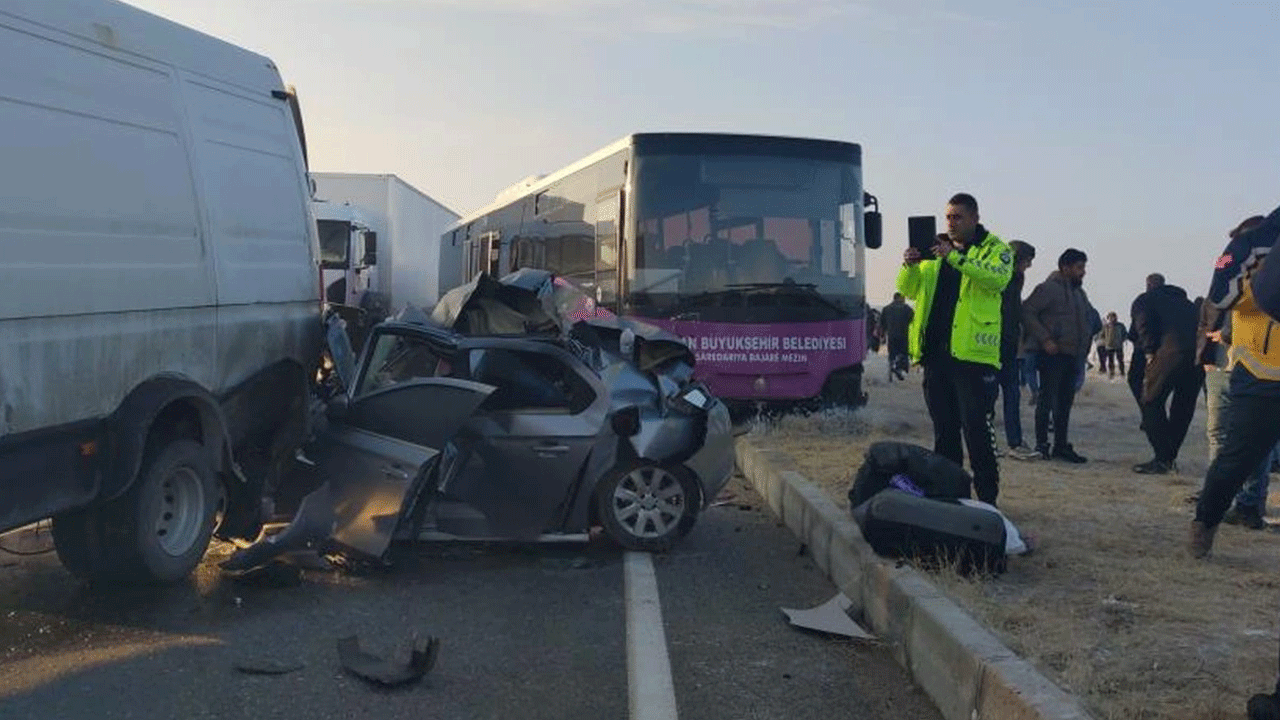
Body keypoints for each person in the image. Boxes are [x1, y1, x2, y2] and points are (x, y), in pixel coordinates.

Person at [897, 193, 1012, 505]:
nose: (951, 223)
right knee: (944, 432)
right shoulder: (934, 253)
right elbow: (908, 290)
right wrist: (909, 265)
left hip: (973, 359)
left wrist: (955, 257)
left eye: (958, 217)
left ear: (975, 218)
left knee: (977, 434)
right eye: (948, 217)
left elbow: (997, 280)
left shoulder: (995, 249)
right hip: (936, 357)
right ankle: (949, 497)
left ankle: (988, 501)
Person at [1191, 205, 1280, 558]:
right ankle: (1205, 522)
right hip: (1262, 371)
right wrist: (1266, 276)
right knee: (1239, 458)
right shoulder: (1252, 249)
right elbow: (1224, 297)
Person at [1020, 249, 1095, 463]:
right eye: (1079, 267)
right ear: (1066, 267)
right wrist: (1045, 339)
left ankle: (1061, 446)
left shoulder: (1079, 294)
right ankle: (1042, 445)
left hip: (1074, 356)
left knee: (1064, 404)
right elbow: (1027, 312)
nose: (1083, 272)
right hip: (1052, 354)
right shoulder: (1048, 289)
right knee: (1046, 401)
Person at [1130, 273, 1203, 474]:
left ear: (1149, 286)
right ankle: (1169, 458)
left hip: (1169, 354)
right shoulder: (1187, 304)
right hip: (1197, 358)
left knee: (1150, 402)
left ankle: (1163, 459)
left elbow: (1141, 324)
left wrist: (1149, 351)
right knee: (1183, 409)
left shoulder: (1144, 300)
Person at [992, 240, 1039, 459]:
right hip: (992, 342)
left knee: (1012, 393)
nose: (1028, 266)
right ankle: (992, 442)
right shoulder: (998, 277)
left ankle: (1015, 441)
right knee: (989, 396)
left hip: (1009, 342)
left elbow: (1016, 309)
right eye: (1027, 262)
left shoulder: (1017, 279)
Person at [880, 292, 914, 382]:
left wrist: (882, 337)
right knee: (903, 354)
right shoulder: (907, 309)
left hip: (891, 336)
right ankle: (898, 369)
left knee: (892, 355)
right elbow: (913, 321)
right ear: (900, 298)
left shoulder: (886, 309)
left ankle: (891, 375)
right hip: (903, 336)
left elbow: (882, 324)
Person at [1098, 312, 1127, 379]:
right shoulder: (1106, 326)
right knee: (1111, 360)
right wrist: (1104, 341)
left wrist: (1122, 340)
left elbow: (1125, 334)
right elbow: (1101, 335)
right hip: (1109, 346)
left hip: (1118, 346)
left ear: (1115, 318)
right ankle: (1111, 372)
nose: (1111, 319)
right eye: (1110, 317)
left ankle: (1122, 372)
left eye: (1112, 317)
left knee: (1120, 360)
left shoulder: (1120, 326)